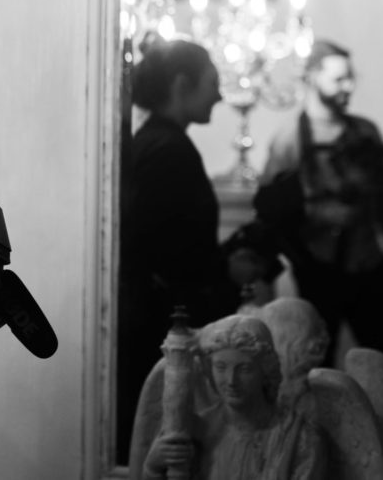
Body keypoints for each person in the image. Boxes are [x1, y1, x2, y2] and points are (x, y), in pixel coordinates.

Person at [117, 39, 239, 463]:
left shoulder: (158, 142)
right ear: (182, 84)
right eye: (213, 83)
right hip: (161, 327)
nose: (221, 95)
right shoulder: (168, 150)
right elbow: (154, 251)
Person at [258, 40, 383, 362]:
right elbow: (270, 211)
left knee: (380, 363)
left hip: (371, 268)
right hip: (319, 271)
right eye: (338, 79)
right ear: (312, 77)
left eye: (351, 78)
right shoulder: (289, 139)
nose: (348, 86)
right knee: (315, 362)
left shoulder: (366, 131)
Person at [144, 315, 325, 480]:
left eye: (244, 369)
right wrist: (153, 468)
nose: (231, 381)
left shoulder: (299, 437)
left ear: (265, 371)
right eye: (221, 368)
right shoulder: (193, 429)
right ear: (209, 370)